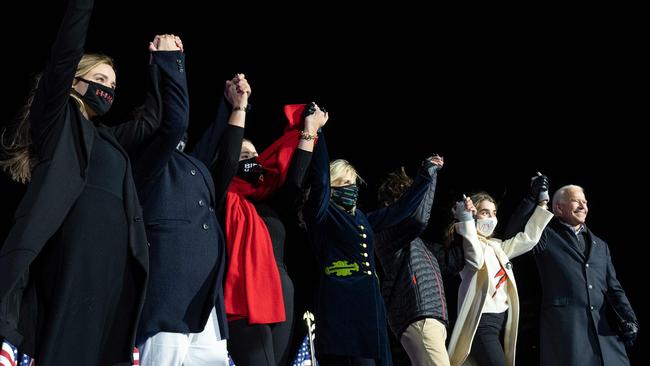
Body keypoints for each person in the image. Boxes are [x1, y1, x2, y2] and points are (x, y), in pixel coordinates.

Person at [0, 0, 166, 363]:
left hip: (111, 261)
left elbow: (152, 121)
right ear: (76, 80)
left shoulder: (109, 138)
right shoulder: (56, 121)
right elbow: (64, 54)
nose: (108, 89)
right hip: (70, 250)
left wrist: (160, 65)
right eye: (100, 79)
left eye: (113, 84)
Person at [131, 40, 250, 365]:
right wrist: (169, 62)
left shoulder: (190, 165)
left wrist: (233, 106)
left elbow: (213, 143)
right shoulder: (148, 161)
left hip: (204, 298)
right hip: (168, 295)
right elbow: (174, 123)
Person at [303, 133, 445, 366]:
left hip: (370, 306)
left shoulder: (362, 219)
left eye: (353, 183)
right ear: (332, 186)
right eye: (344, 183)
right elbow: (320, 181)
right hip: (342, 305)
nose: (352, 188)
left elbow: (400, 210)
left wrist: (425, 175)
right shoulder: (322, 214)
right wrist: (317, 134)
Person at [220, 102, 328, 366]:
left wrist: (310, 130)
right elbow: (224, 163)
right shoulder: (221, 194)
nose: (251, 160)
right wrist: (239, 108)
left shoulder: (274, 201)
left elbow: (296, 176)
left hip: (280, 291)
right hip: (242, 288)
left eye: (254, 155)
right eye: (243, 156)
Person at [504, 184, 639, 365]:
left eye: (585, 202)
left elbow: (614, 289)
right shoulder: (545, 236)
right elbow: (514, 236)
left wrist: (630, 319)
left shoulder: (600, 245)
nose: (583, 206)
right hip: (568, 335)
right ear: (559, 208)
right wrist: (531, 199)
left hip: (606, 335)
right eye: (576, 201)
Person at [447, 174, 553, 366]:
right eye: (485, 212)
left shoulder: (496, 247)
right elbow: (476, 259)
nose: (492, 218)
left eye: (494, 213)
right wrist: (466, 219)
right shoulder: (465, 246)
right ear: (473, 215)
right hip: (481, 324)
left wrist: (542, 202)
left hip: (499, 324)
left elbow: (528, 239)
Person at [375, 161, 465, 366]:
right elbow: (419, 219)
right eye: (409, 197)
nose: (415, 202)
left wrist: (464, 221)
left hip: (431, 318)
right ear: (392, 204)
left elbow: (454, 261)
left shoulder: (419, 245)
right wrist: (429, 174)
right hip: (418, 316)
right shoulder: (386, 233)